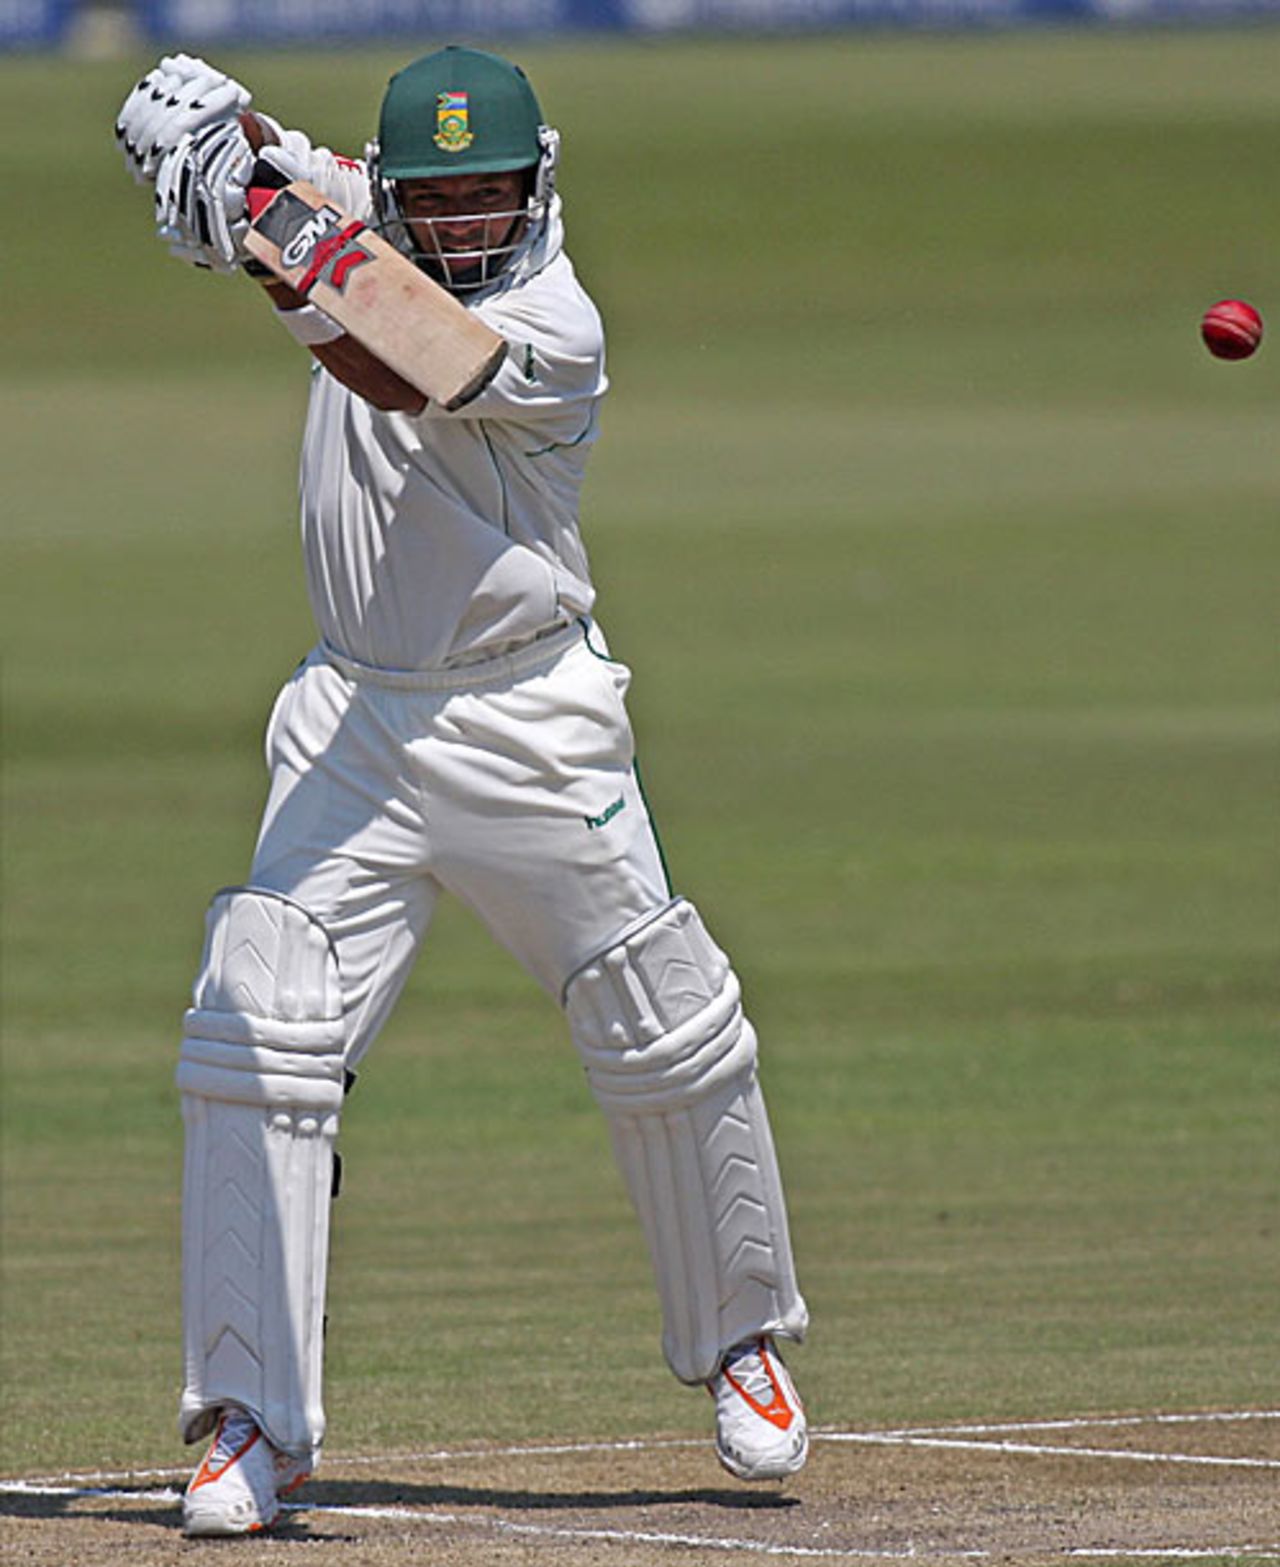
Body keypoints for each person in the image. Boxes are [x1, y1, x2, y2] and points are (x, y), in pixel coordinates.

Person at [115, 45, 809, 1538]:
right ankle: (253, 1423)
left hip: (530, 712)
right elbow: (261, 171)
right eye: (442, 201)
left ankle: (743, 1345)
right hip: (356, 715)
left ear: (539, 183)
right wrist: (210, 149)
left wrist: (251, 217)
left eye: (495, 194)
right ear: (398, 191)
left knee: (665, 1021)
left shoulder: (558, 322)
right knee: (256, 1029)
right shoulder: (353, 209)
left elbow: (402, 355)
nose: (473, 224)